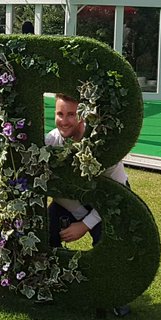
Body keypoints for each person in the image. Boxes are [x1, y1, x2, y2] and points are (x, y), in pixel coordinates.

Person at [45, 93, 128, 247]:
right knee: (45, 232)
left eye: (71, 114)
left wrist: (85, 225)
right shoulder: (50, 142)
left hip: (105, 199)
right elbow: (53, 187)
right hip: (71, 200)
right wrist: (81, 214)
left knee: (110, 245)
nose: (63, 121)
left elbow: (118, 194)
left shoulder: (102, 144)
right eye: (59, 114)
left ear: (82, 115)